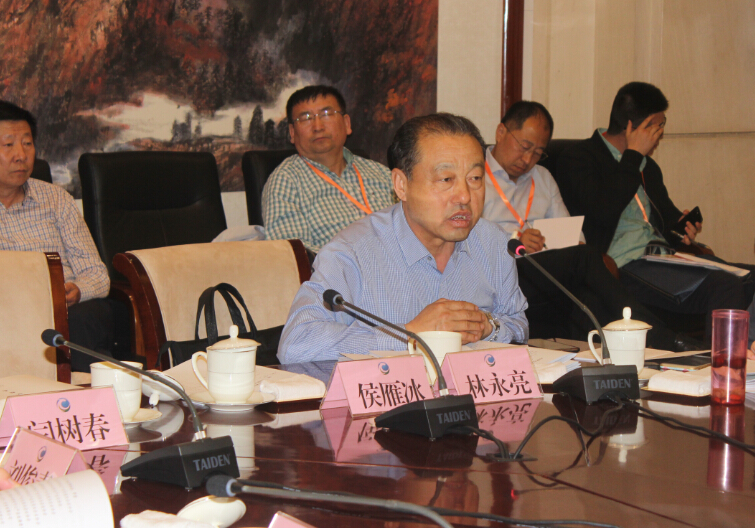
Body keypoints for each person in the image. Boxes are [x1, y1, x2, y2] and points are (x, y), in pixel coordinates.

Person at [278, 113, 528, 364]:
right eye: (446, 179)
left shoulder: (495, 243)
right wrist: (408, 335)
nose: (464, 196)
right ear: (401, 185)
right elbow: (296, 343)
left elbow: (518, 323)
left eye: (475, 179)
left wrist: (488, 327)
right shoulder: (351, 252)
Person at [484, 100, 704, 351]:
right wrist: (514, 238)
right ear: (501, 132)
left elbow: (570, 228)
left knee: (588, 296)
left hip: (546, 268)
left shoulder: (542, 177)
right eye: (524, 147)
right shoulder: (475, 175)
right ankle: (663, 339)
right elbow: (471, 236)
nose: (527, 159)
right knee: (586, 258)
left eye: (537, 153)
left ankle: (630, 358)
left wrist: (572, 243)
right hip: (505, 270)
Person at [555, 82, 754, 342]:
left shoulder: (647, 167)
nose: (660, 134)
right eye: (657, 126)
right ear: (634, 126)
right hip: (623, 265)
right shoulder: (580, 158)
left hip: (662, 259)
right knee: (724, 285)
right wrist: (632, 156)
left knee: (750, 277)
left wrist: (681, 227)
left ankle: (746, 355)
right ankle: (720, 363)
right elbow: (601, 213)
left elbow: (663, 220)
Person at [0, 100, 116, 371]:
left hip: (65, 314)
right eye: (8, 145)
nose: (20, 155)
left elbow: (97, 275)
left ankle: (90, 395)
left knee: (86, 318)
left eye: (27, 143)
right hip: (8, 315)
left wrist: (78, 290)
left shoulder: (56, 200)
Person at [262, 85, 395, 257]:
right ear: (292, 133)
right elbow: (294, 256)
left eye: (326, 114)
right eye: (306, 118)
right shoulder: (285, 182)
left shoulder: (382, 174)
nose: (318, 126)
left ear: (346, 124)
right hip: (344, 272)